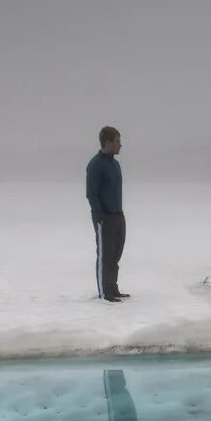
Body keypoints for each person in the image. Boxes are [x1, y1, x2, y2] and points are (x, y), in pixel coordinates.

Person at [86, 126, 127, 302]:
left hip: (118, 215)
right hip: (105, 218)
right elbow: (91, 194)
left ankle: (113, 288)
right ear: (108, 142)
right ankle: (105, 292)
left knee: (115, 255)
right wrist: (100, 216)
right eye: (117, 141)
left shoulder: (114, 163)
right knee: (105, 256)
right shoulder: (96, 164)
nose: (121, 145)